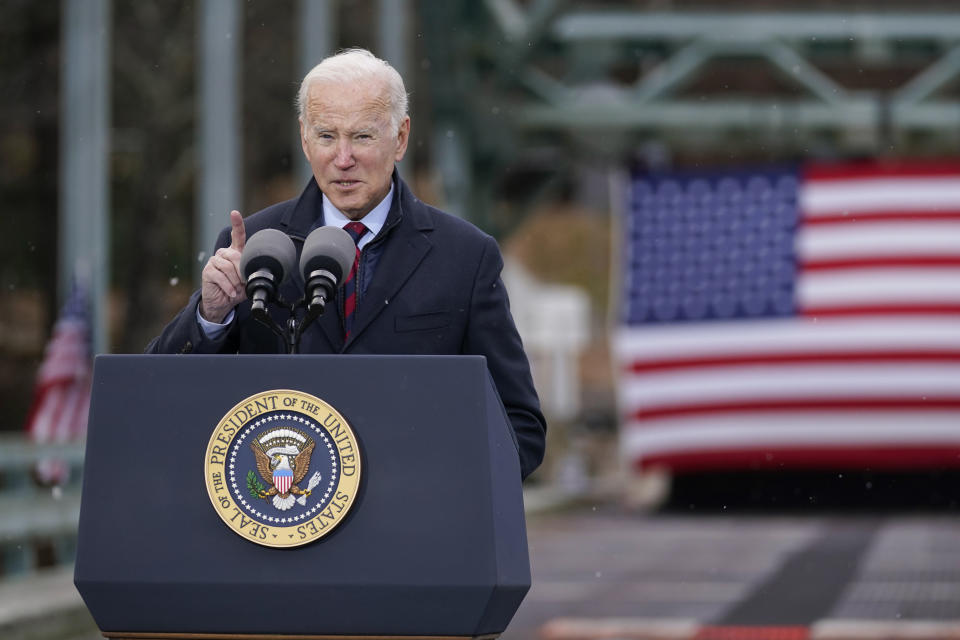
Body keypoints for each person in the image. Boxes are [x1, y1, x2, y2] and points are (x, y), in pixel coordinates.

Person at [147, 48, 546, 479]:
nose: (342, 159)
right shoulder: (254, 247)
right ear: (303, 138)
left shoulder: (465, 256)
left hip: (414, 531)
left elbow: (520, 427)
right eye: (326, 136)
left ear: (400, 137)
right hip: (287, 522)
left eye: (361, 137)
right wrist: (211, 315)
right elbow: (159, 397)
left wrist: (441, 489)